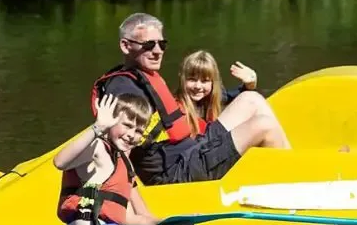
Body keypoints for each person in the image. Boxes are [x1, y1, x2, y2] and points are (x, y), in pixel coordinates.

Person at [92, 12, 290, 186]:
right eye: (149, 45)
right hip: (175, 172)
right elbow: (116, 140)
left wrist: (248, 86)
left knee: (251, 98)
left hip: (191, 149)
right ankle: (293, 181)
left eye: (162, 44)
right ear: (126, 46)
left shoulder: (143, 77)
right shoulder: (123, 89)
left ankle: (290, 162)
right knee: (263, 125)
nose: (158, 51)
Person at [54, 93, 241, 225]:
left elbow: (128, 218)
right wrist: (98, 127)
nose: (131, 135)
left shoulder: (122, 164)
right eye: (126, 125)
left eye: (138, 131)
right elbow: (60, 161)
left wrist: (170, 221)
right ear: (110, 122)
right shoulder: (97, 149)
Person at [176, 50, 258, 138]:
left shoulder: (215, 97)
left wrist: (251, 83)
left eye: (205, 81)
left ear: (212, 83)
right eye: (192, 79)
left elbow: (242, 94)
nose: (198, 86)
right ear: (183, 79)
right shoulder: (176, 108)